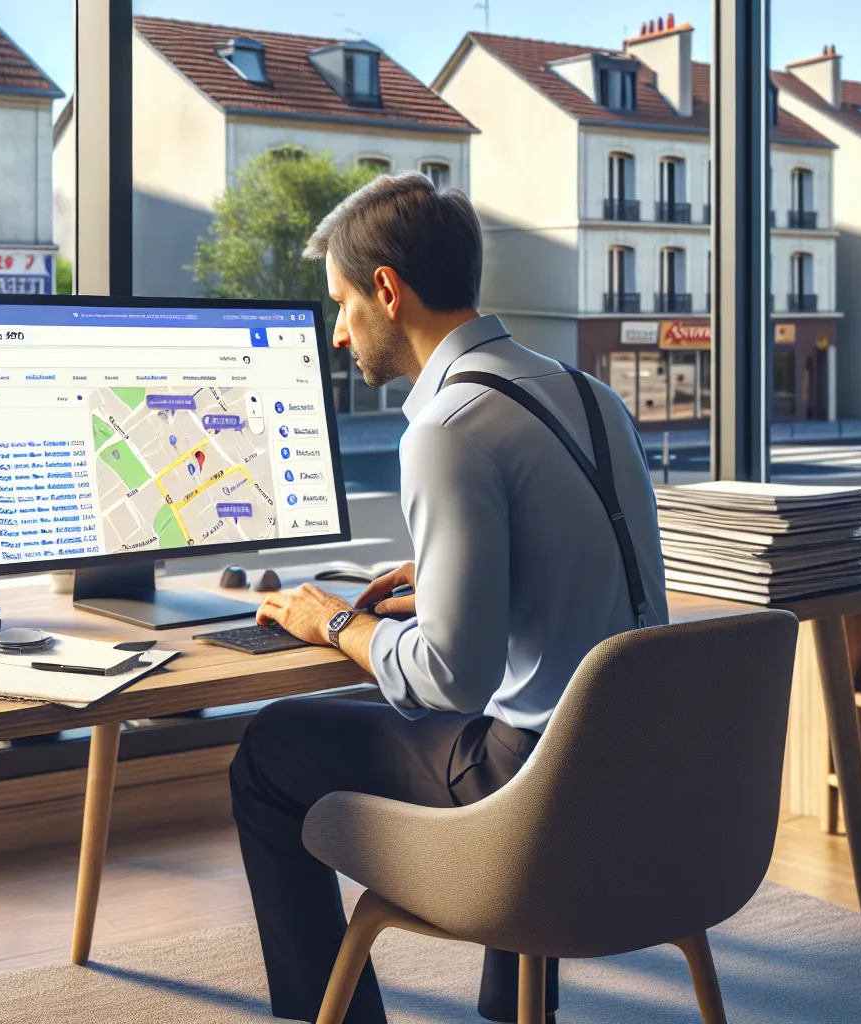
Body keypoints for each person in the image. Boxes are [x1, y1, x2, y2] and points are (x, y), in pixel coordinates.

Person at [231, 172, 669, 1024]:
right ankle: (513, 1006)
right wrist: (449, 580)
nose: (337, 332)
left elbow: (450, 676)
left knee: (271, 747)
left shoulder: (446, 427)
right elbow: (587, 572)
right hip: (644, 767)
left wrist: (338, 623)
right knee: (470, 703)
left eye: (342, 304)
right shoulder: (591, 395)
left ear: (387, 292)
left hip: (533, 790)